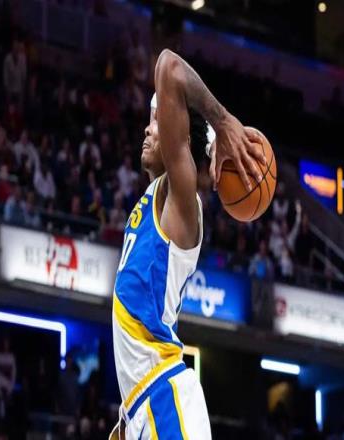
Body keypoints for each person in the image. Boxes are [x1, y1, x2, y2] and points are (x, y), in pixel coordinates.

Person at [109, 49, 264, 440]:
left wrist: (220, 124)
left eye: (157, 120)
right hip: (145, 403)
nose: (148, 129)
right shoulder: (155, 198)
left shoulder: (181, 199)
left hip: (166, 398)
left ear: (178, 136)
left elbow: (168, 65)